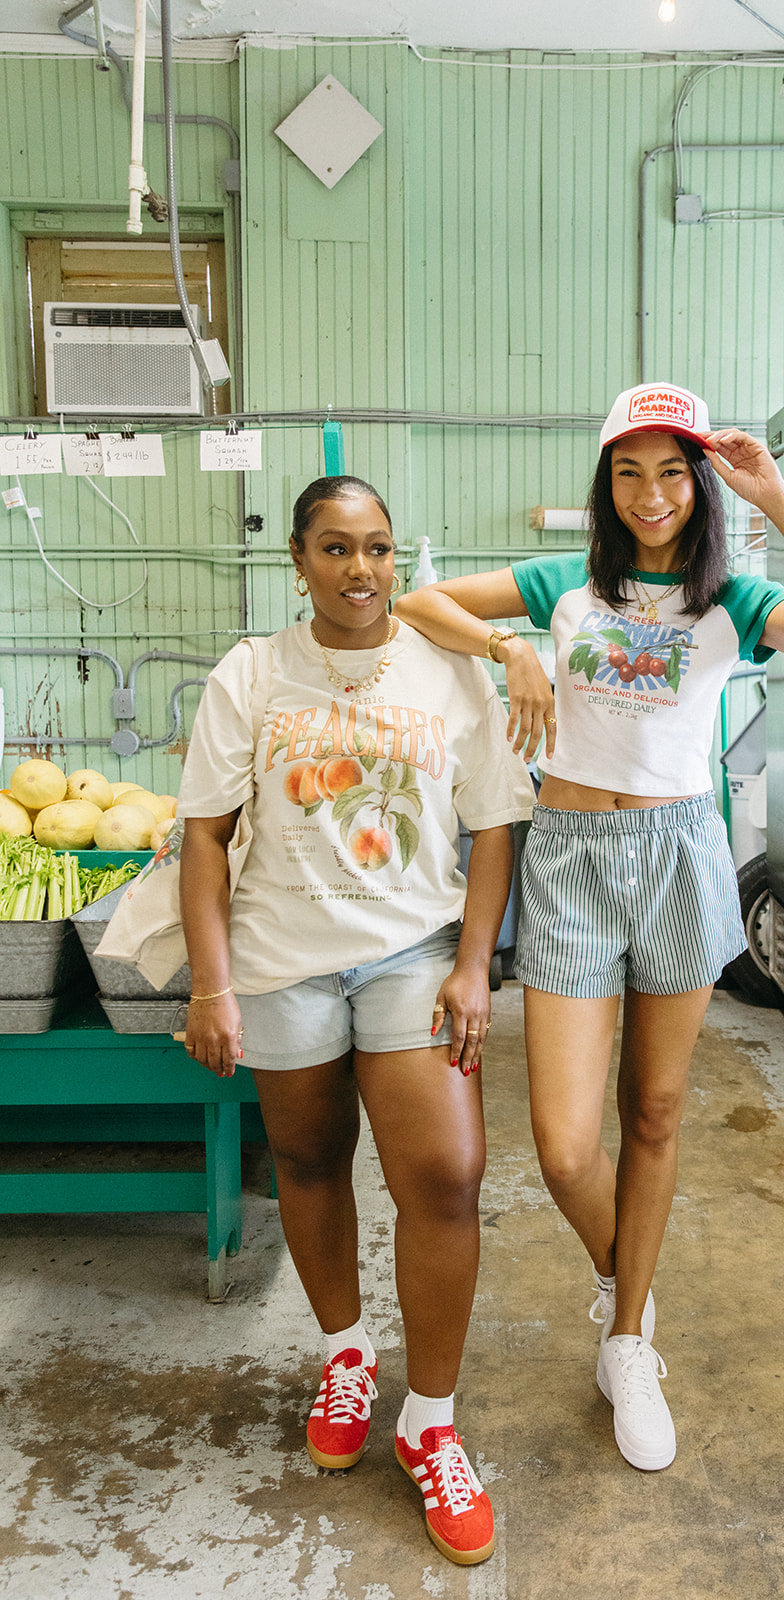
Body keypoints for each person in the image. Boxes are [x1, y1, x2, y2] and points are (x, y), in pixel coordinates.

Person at [394, 381, 784, 1473]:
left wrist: (781, 498)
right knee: (569, 1146)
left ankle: (626, 1341)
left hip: (678, 853)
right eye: (629, 470)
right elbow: (417, 604)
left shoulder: (736, 601)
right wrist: (507, 649)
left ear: (699, 482)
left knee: (655, 1112)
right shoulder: (562, 583)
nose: (650, 491)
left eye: (673, 470)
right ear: (605, 481)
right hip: (569, 855)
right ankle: (629, 1276)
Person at [176, 474, 533, 1565]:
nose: (361, 569)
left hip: (412, 957)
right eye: (335, 548)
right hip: (282, 959)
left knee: (443, 1172)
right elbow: (202, 834)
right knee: (309, 1156)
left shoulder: (448, 670)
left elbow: (493, 825)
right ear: (297, 559)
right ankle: (344, 1355)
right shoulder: (252, 674)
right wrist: (211, 982)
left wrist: (474, 968)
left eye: (377, 547)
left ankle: (429, 1421)